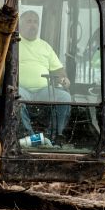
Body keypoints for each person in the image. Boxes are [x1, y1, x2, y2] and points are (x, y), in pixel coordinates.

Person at [16, 9, 72, 137]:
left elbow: (58, 70)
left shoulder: (45, 46)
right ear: (20, 24)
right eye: (29, 21)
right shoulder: (13, 43)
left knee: (65, 97)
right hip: (21, 89)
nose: (33, 25)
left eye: (36, 22)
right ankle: (29, 136)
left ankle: (55, 135)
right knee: (15, 96)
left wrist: (63, 79)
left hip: (43, 90)